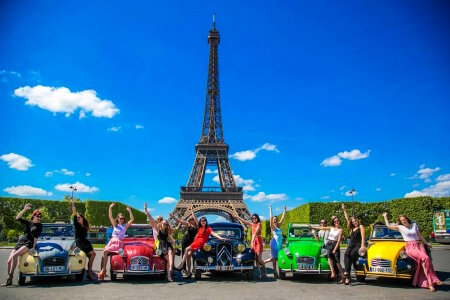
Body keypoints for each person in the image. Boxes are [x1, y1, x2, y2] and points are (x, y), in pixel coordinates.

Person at [383, 212, 442, 292]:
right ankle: (434, 279)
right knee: (426, 257)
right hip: (410, 247)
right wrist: (385, 216)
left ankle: (431, 284)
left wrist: (426, 243)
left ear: (407, 219)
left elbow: (420, 236)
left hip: (418, 246)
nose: (403, 221)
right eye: (401, 220)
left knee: (424, 263)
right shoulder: (400, 227)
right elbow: (388, 226)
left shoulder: (414, 225)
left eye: (404, 219)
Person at [2, 203, 42, 287]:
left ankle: (10, 277)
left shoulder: (39, 226)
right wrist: (24, 209)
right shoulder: (28, 223)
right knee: (9, 261)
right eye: (37, 216)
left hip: (28, 243)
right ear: (33, 216)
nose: (39, 218)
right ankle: (9, 280)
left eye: (40, 217)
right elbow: (17, 218)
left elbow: (35, 238)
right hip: (21, 241)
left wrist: (33, 249)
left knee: (14, 256)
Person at [98, 203, 134, 280]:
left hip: (118, 242)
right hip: (112, 241)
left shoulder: (125, 226)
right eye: (120, 218)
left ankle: (103, 270)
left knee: (105, 252)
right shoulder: (115, 225)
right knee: (103, 253)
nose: (121, 219)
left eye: (122, 218)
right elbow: (110, 216)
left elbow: (132, 219)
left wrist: (129, 210)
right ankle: (103, 272)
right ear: (117, 219)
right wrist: (110, 208)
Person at [145, 203, 175, 282]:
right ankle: (169, 273)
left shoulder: (166, 230)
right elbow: (151, 220)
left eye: (165, 223)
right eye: (159, 220)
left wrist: (173, 241)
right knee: (168, 258)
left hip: (167, 244)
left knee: (171, 252)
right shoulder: (157, 229)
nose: (164, 224)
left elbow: (170, 236)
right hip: (160, 245)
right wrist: (146, 212)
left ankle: (171, 267)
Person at [310, 216, 344, 282]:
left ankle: (343, 277)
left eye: (337, 221)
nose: (336, 222)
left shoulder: (340, 230)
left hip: (335, 244)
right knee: (328, 257)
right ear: (333, 223)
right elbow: (321, 228)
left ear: (339, 222)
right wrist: (312, 227)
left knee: (337, 262)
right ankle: (333, 272)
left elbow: (339, 240)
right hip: (329, 244)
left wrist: (335, 249)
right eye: (335, 221)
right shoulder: (331, 228)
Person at [235, 213, 267, 279]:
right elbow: (245, 222)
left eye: (255, 218)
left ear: (257, 218)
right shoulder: (252, 224)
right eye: (253, 218)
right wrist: (237, 217)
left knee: (259, 259)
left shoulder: (259, 224)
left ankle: (264, 268)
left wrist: (252, 240)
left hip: (257, 242)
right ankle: (260, 273)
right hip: (253, 242)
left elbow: (256, 232)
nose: (254, 219)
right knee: (255, 259)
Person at [70, 199, 96, 280]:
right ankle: (83, 271)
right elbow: (74, 214)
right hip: (80, 242)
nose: (77, 218)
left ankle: (89, 271)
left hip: (85, 242)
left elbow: (87, 229)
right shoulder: (76, 225)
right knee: (83, 256)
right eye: (77, 217)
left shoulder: (84, 226)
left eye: (79, 217)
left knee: (93, 254)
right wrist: (73, 205)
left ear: (82, 218)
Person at [341, 203, 365, 285]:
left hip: (358, 244)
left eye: (355, 221)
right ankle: (347, 274)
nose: (354, 222)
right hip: (351, 244)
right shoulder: (351, 228)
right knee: (346, 255)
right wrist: (344, 210)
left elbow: (363, 236)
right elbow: (347, 218)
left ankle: (347, 275)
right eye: (353, 221)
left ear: (358, 221)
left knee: (351, 256)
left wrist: (362, 245)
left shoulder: (360, 227)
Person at [264, 206, 286, 278]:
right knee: (274, 259)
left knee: (277, 258)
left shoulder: (279, 225)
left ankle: (261, 262)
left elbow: (283, 218)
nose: (275, 220)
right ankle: (275, 272)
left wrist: (284, 210)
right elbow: (270, 218)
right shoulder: (272, 227)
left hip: (279, 244)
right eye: (274, 219)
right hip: (274, 244)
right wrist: (270, 209)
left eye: (276, 219)